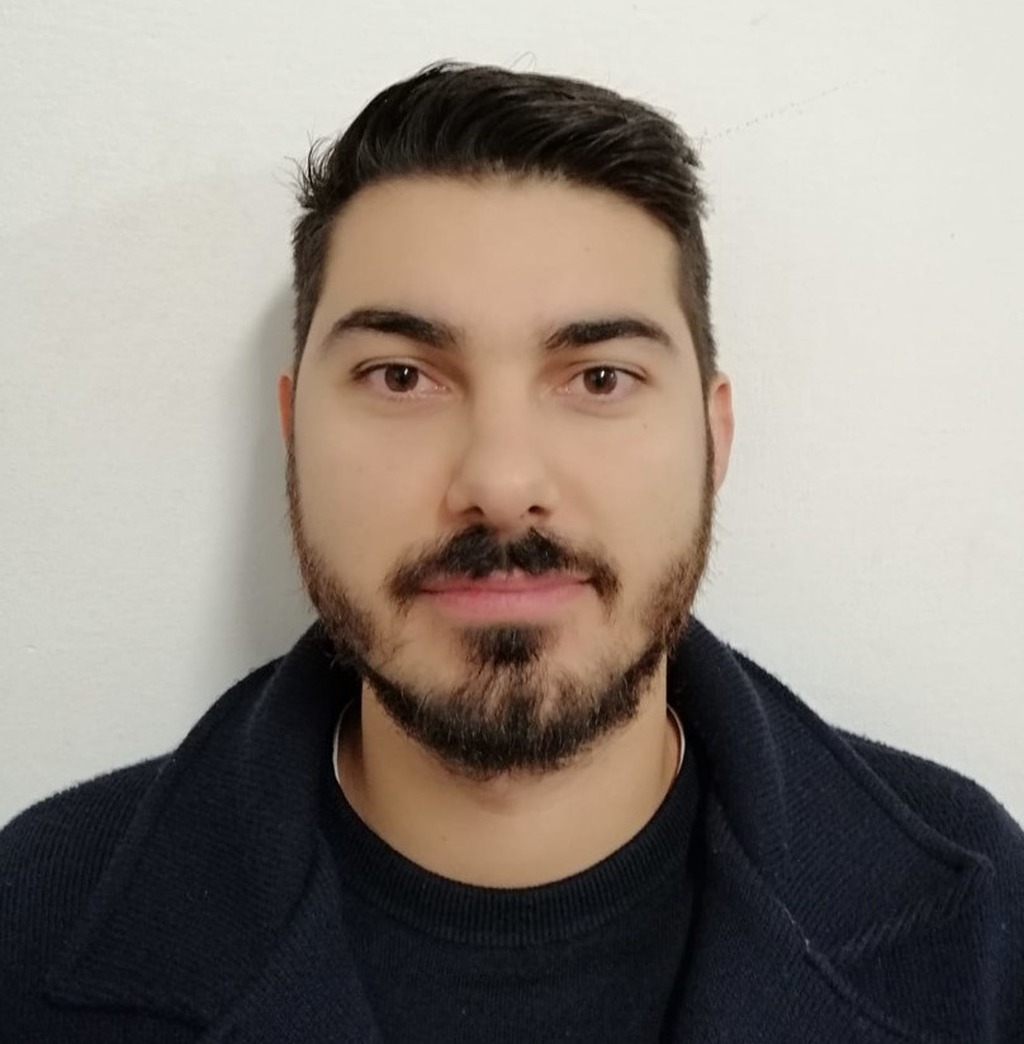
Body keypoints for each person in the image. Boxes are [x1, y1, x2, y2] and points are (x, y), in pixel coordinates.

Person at [1, 59, 1022, 1043]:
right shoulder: (31, 921)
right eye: (401, 377)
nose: (498, 478)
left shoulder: (984, 928)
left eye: (600, 378)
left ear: (713, 441)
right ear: (293, 430)